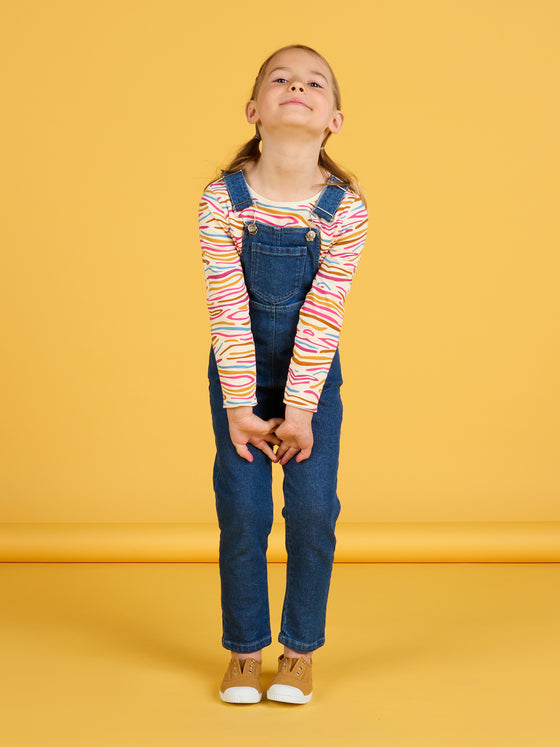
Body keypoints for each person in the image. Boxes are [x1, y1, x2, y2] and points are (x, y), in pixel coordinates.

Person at [198, 43, 368, 705]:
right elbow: (226, 305)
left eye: (315, 82)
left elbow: (324, 314)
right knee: (243, 510)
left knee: (313, 509)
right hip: (240, 374)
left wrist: (300, 411)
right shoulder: (223, 200)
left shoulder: (344, 212)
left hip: (312, 379)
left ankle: (298, 651)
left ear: (334, 119)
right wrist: (242, 405)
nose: (297, 86)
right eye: (281, 79)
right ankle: (244, 649)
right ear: (254, 109)